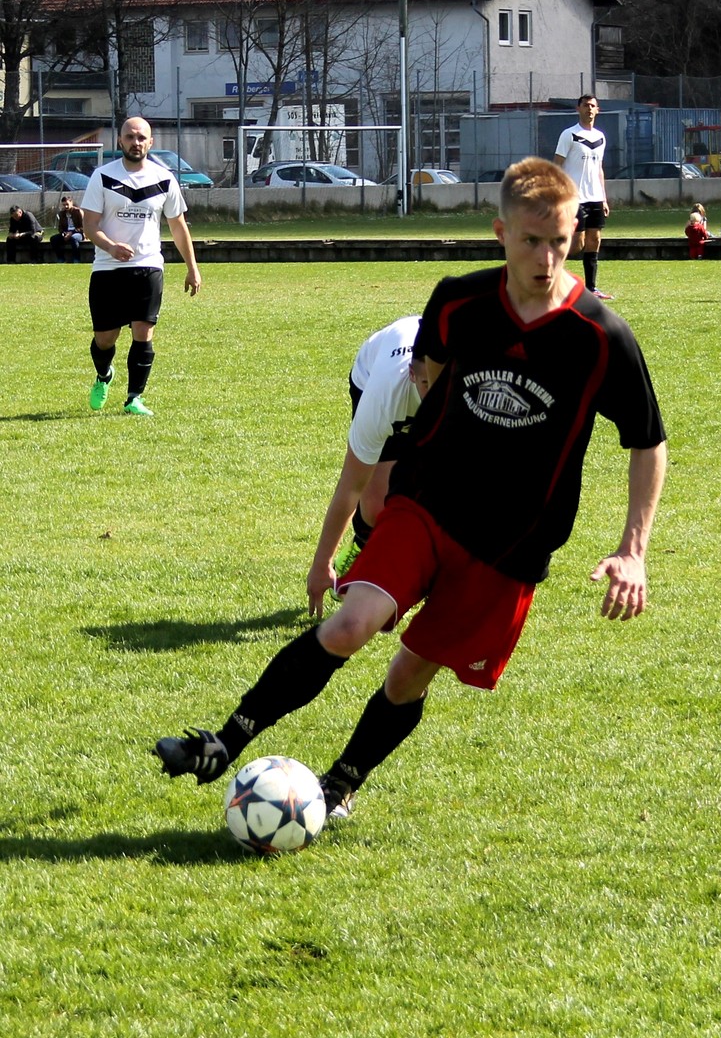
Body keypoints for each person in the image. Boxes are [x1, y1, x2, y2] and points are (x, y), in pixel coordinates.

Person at [153, 157, 667, 822]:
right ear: (499, 232)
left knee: (408, 674)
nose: (545, 259)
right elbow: (428, 363)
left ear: (577, 236)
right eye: (531, 241)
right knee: (350, 625)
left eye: (559, 242)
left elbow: (647, 441)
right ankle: (225, 742)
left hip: (509, 547)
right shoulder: (458, 300)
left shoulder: (600, 337)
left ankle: (339, 784)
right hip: (426, 504)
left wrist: (634, 548)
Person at [308, 315, 430, 612]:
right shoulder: (384, 397)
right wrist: (321, 563)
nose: (435, 393)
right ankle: (360, 546)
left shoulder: (463, 390)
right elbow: (351, 485)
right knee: (375, 505)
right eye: (427, 383)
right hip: (370, 374)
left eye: (441, 380)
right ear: (413, 375)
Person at [81, 117, 202, 416]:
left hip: (148, 267)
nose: (136, 142)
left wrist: (192, 267)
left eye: (141, 138)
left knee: (143, 331)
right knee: (105, 339)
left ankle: (134, 397)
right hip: (107, 269)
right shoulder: (102, 177)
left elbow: (178, 226)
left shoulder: (164, 179)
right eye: (130, 137)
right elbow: (89, 225)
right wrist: (110, 246)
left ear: (150, 143)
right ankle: (104, 374)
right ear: (120, 141)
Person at [553, 93, 613, 299]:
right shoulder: (569, 134)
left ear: (597, 110)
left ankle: (591, 289)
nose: (589, 109)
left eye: (593, 106)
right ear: (578, 108)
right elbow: (557, 166)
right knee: (577, 243)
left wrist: (604, 198)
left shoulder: (600, 137)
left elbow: (599, 169)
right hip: (573, 198)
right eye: (586, 105)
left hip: (594, 197)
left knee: (594, 239)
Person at [50, 195, 85, 263]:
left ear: (71, 203)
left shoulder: (78, 212)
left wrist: (72, 232)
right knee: (53, 239)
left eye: (67, 204)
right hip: (66, 233)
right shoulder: (62, 213)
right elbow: (60, 227)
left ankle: (76, 259)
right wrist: (63, 233)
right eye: (64, 205)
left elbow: (83, 227)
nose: (66, 206)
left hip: (78, 233)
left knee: (73, 238)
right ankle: (61, 259)